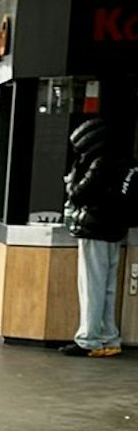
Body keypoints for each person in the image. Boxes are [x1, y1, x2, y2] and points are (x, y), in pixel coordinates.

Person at [59, 115, 133, 357]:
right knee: (108, 286)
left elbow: (78, 194)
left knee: (91, 285)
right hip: (116, 229)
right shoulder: (124, 160)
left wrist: (71, 180)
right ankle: (109, 337)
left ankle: (88, 338)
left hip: (95, 228)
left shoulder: (98, 163)